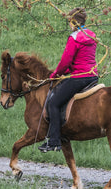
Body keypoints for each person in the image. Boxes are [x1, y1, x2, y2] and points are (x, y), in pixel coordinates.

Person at [38, 8, 99, 153]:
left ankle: (54, 141)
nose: (69, 25)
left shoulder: (74, 37)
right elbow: (81, 60)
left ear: (74, 22)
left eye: (69, 22)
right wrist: (67, 71)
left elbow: (66, 62)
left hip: (80, 77)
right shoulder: (91, 35)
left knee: (53, 102)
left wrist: (55, 75)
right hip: (92, 76)